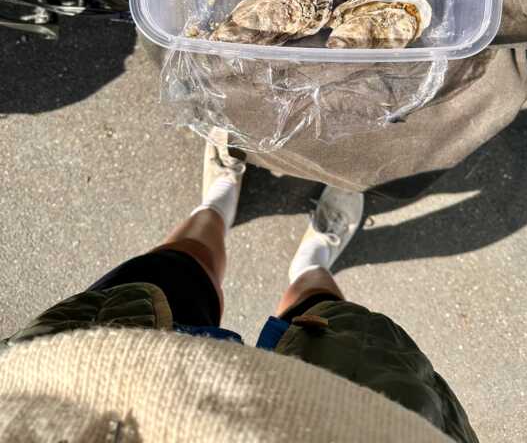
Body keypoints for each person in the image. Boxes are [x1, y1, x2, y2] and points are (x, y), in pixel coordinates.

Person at [0, 133, 479, 443]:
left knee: (180, 265)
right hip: (366, 423)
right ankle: (313, 259)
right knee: (320, 310)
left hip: (85, 380)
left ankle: (219, 201)